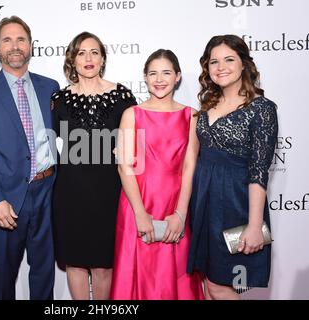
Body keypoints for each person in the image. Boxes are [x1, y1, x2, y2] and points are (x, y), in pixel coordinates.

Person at [0, 16, 60, 300]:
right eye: (7, 40)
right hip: (5, 198)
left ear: (30, 45)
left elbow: (62, 138)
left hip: (47, 191)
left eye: (20, 39)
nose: (14, 46)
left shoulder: (50, 87)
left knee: (44, 274)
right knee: (4, 279)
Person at [187, 35, 278, 300]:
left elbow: (259, 171)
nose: (221, 67)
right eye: (214, 61)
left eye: (229, 59)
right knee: (208, 283)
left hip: (237, 203)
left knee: (220, 285)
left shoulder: (262, 109)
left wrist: (254, 224)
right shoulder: (205, 107)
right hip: (204, 201)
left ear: (243, 64)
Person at [110, 49, 204, 300]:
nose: (159, 79)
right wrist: (140, 213)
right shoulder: (132, 114)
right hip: (136, 204)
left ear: (178, 77)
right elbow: (124, 166)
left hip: (176, 204)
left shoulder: (191, 115)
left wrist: (181, 214)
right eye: (153, 73)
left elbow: (189, 166)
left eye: (166, 73)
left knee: (176, 275)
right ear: (145, 77)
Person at [51, 31, 137, 300]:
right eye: (81, 53)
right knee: (75, 263)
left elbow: (135, 146)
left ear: (102, 59)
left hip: (109, 192)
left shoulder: (122, 96)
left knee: (103, 263)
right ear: (72, 60)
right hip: (70, 192)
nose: (88, 58)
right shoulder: (59, 100)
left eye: (94, 52)